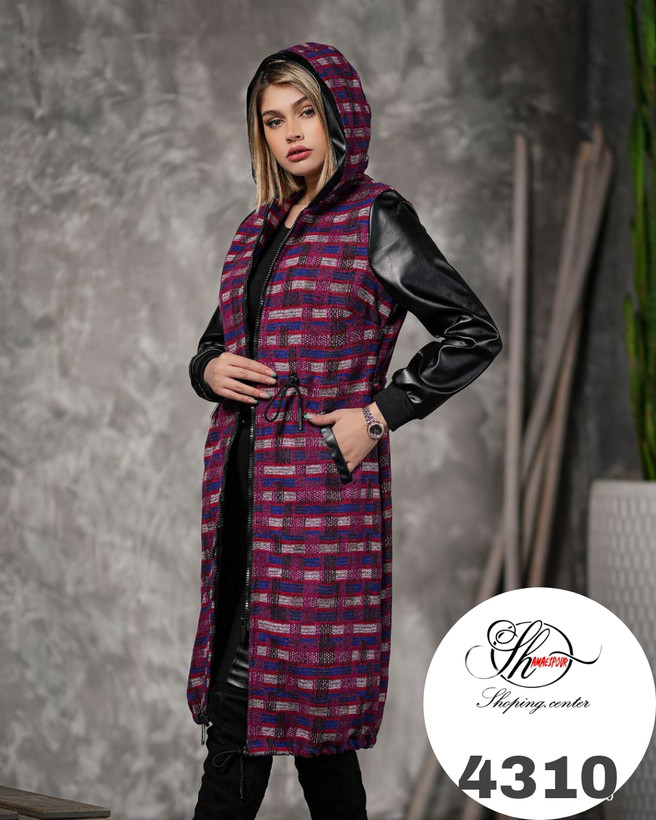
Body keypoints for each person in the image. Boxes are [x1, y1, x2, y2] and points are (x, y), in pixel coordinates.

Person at [188, 42, 503, 820]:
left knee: (244, 718)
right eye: (273, 120)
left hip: (321, 509)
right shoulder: (257, 229)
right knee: (318, 742)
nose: (291, 132)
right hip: (245, 498)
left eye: (305, 111)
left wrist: (378, 414)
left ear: (338, 115)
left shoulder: (375, 214)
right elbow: (221, 340)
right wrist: (207, 368)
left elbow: (471, 331)